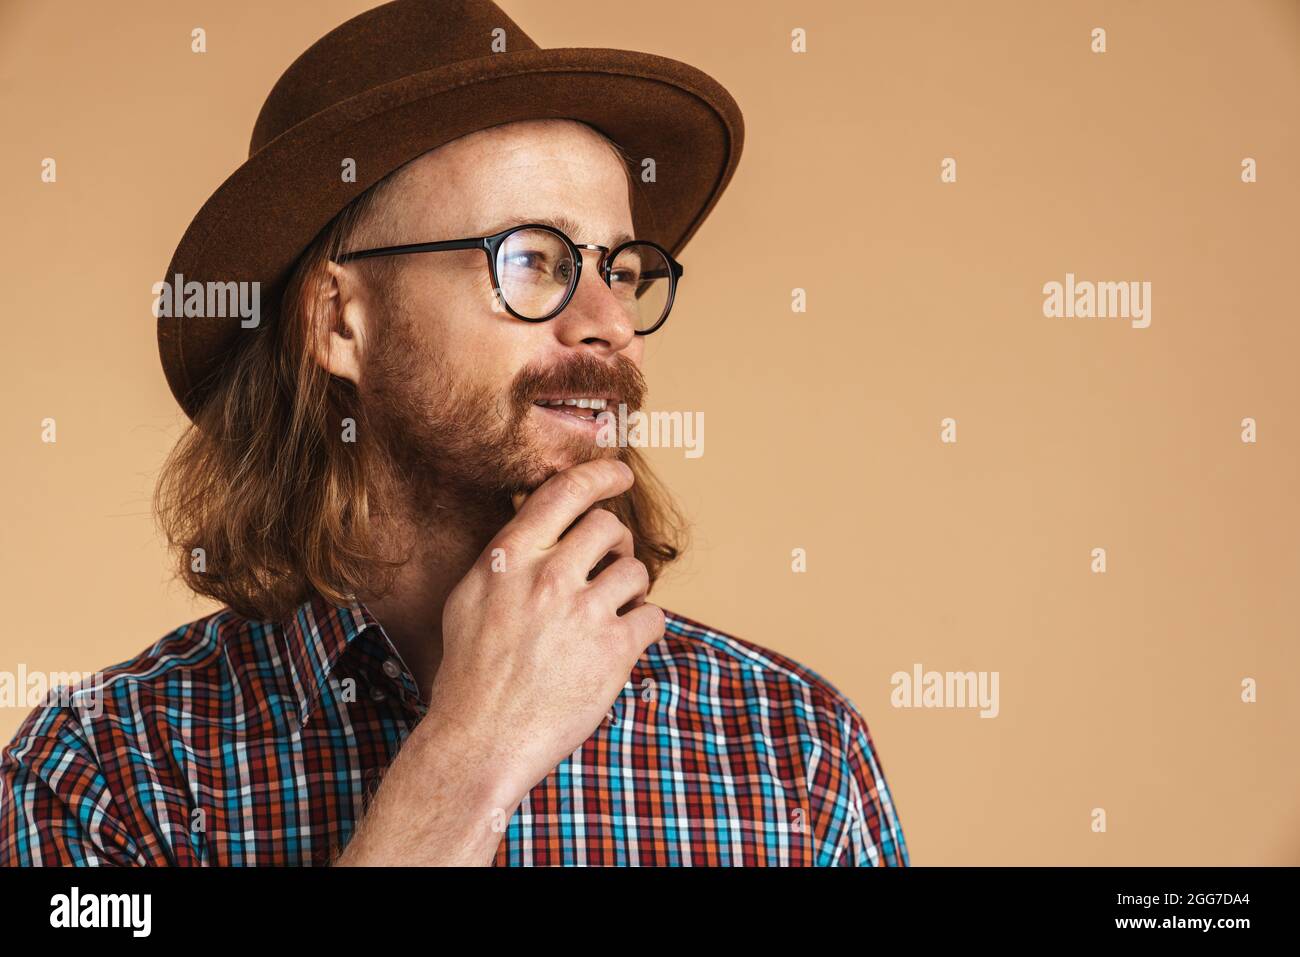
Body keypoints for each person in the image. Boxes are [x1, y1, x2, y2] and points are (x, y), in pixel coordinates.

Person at [0, 0, 908, 866]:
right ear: (339, 324)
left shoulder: (799, 754)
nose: (611, 324)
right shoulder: (104, 777)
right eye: (530, 259)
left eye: (622, 269)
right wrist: (467, 760)